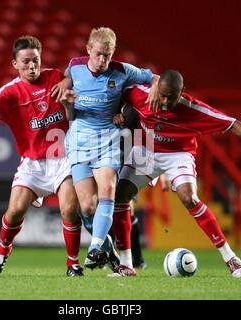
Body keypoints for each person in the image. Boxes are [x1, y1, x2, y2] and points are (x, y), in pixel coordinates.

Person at [110, 69, 241, 277]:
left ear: (181, 93)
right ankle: (126, 264)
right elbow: (117, 91)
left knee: (189, 198)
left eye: (170, 97)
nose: (163, 101)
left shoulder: (194, 109)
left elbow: (231, 123)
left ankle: (231, 258)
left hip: (178, 154)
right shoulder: (143, 95)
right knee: (119, 197)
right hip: (146, 150)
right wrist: (119, 111)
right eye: (161, 94)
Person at [0, 35, 85, 277]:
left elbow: (81, 67)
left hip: (64, 158)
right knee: (14, 212)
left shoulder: (56, 77)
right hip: (33, 163)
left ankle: (73, 264)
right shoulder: (12, 92)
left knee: (69, 208)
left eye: (35, 60)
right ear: (15, 64)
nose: (31, 66)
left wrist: (67, 79)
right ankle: (2, 251)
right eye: (25, 62)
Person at [58, 27, 160, 270]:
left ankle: (94, 249)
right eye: (99, 54)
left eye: (108, 55)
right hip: (80, 142)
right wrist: (65, 82)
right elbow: (66, 74)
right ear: (89, 50)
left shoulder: (123, 70)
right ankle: (107, 250)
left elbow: (154, 77)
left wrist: (155, 85)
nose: (103, 60)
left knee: (108, 191)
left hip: (108, 141)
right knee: (87, 207)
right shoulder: (75, 66)